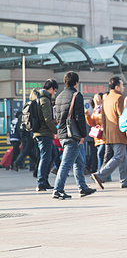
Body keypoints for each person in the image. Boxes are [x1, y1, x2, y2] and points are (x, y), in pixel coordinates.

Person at [54, 71, 96, 199]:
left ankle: (82, 187)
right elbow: (79, 117)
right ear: (76, 83)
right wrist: (83, 134)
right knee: (66, 163)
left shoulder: (59, 96)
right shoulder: (76, 95)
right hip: (73, 134)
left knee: (79, 161)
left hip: (63, 133)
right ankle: (58, 189)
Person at [91, 76, 127, 190]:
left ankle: (125, 181)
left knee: (123, 157)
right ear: (117, 87)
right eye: (122, 85)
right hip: (118, 132)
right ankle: (100, 175)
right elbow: (122, 116)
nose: (124, 88)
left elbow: (103, 118)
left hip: (109, 132)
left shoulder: (107, 98)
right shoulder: (119, 98)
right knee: (119, 156)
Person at [31, 79, 59, 192]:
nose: (54, 93)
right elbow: (47, 119)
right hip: (44, 133)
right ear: (51, 89)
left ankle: (44, 181)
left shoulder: (38, 97)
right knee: (46, 156)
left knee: (53, 154)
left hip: (41, 132)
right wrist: (55, 131)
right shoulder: (45, 99)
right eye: (55, 91)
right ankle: (41, 182)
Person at [85, 93, 105, 171]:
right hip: (97, 136)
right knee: (100, 154)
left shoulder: (104, 108)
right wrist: (87, 116)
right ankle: (103, 173)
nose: (96, 100)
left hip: (104, 136)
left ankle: (101, 173)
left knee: (100, 154)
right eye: (94, 98)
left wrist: (102, 127)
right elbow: (92, 123)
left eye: (97, 98)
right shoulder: (95, 110)